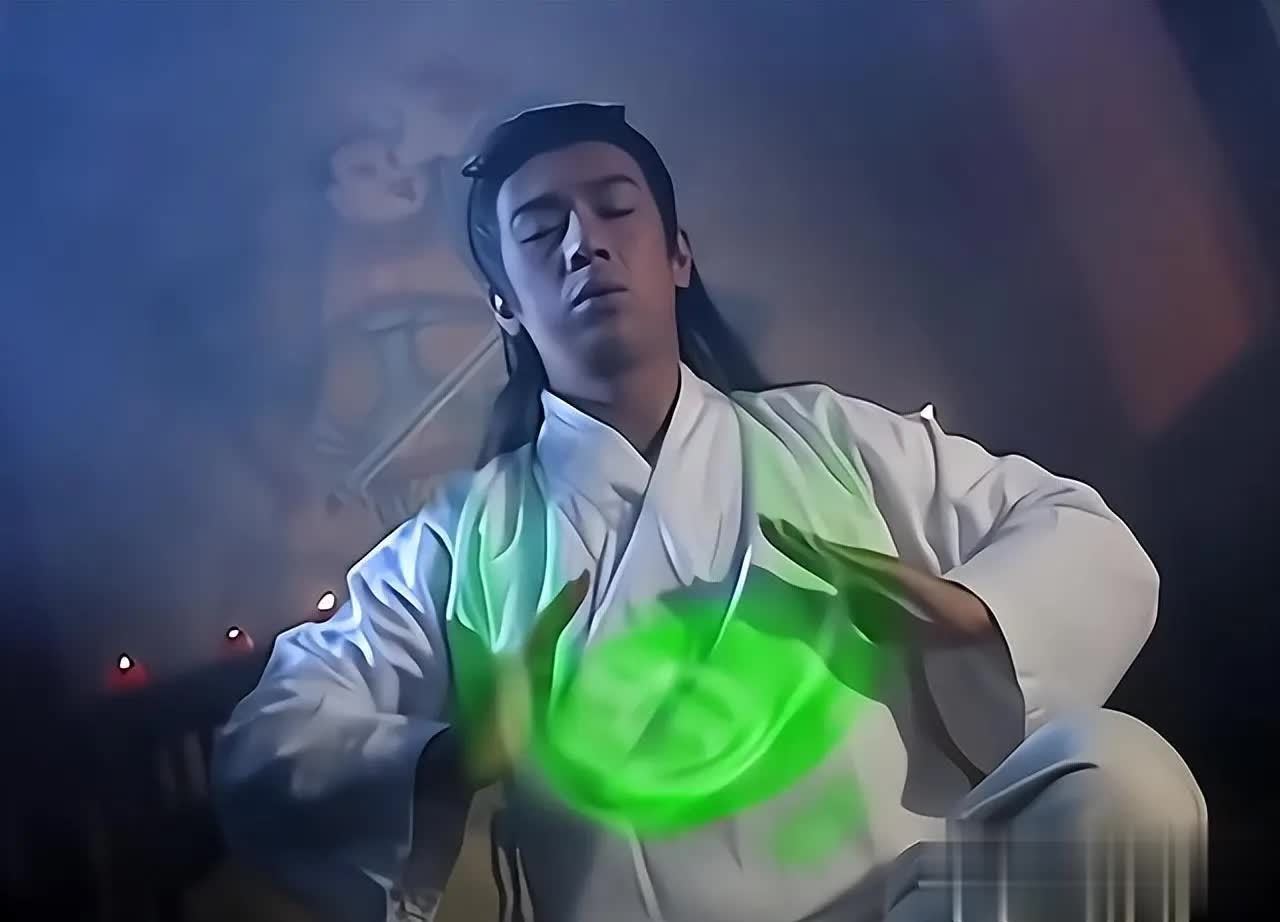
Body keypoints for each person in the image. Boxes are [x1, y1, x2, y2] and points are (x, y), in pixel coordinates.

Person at [212, 103, 1206, 922]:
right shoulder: (455, 543)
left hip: (913, 902)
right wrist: (456, 754)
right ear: (504, 304)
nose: (585, 242)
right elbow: (268, 743)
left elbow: (1084, 532)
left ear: (677, 255)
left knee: (1124, 778)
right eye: (541, 229)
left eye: (614, 209)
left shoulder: (830, 438)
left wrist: (978, 616)